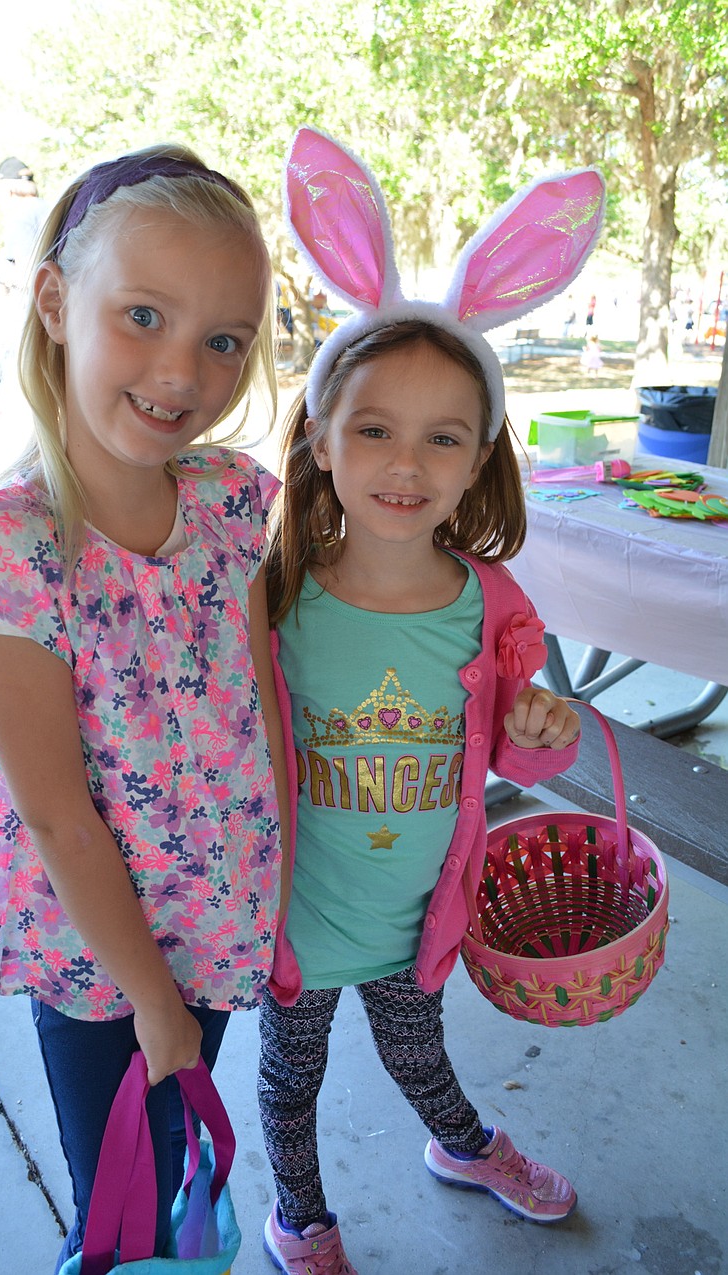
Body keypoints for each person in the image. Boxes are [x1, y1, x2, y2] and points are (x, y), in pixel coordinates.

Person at [0, 141, 288, 1272]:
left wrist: (284, 880)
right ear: (52, 303)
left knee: (175, 1149)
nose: (182, 372)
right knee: (119, 1191)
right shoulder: (10, 554)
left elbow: (261, 699)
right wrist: (151, 1000)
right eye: (143, 315)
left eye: (222, 340)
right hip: (101, 968)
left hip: (220, 918)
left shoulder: (232, 506)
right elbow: (59, 819)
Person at [257, 128, 604, 1274]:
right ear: (318, 434)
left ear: (476, 459)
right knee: (289, 1077)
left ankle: (463, 1145)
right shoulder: (274, 592)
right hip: (296, 923)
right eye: (372, 429)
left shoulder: (491, 602)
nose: (404, 464)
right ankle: (302, 1218)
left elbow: (520, 750)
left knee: (421, 1055)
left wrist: (540, 727)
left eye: (440, 438)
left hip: (419, 916)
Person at [0, 157, 48, 402]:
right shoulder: (50, 207)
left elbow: (29, 276)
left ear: (9, 188)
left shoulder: (22, 215)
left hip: (28, 320)